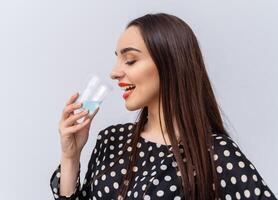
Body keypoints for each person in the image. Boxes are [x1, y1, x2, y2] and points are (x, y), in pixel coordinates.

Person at [50, 13, 277, 200]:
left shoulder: (215, 155)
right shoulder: (111, 140)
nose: (114, 72)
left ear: (170, 64)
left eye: (130, 60)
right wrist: (70, 157)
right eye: (117, 59)